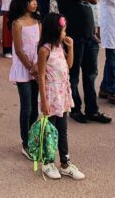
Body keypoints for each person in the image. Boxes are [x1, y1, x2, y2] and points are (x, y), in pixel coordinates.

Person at [54, 0, 110, 124]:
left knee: (91, 75)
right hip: (74, 37)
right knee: (74, 75)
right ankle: (75, 109)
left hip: (88, 36)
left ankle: (92, 110)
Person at [37, 13, 85, 181]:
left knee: (63, 130)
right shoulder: (45, 50)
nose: (65, 33)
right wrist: (43, 101)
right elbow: (41, 75)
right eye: (63, 30)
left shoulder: (59, 47)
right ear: (54, 31)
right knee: (50, 130)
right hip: (50, 95)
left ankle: (65, 163)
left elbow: (70, 65)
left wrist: (70, 48)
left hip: (62, 95)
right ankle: (47, 162)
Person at [8, 0, 41, 158]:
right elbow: (19, 50)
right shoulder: (17, 23)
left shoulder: (37, 21)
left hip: (37, 66)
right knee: (26, 106)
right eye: (31, 0)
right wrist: (31, 67)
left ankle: (32, 137)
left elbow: (41, 44)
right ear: (23, 3)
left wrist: (38, 65)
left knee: (35, 107)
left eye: (35, 0)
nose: (34, 3)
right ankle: (25, 142)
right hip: (24, 68)